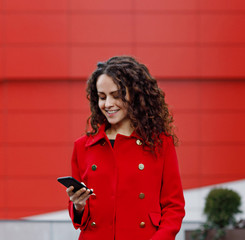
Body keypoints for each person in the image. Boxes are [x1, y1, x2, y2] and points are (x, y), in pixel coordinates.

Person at [66, 56, 185, 240]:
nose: (108, 104)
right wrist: (78, 206)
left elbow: (173, 207)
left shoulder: (160, 143)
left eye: (116, 95)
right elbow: (80, 219)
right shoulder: (83, 146)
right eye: (102, 97)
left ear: (135, 95)